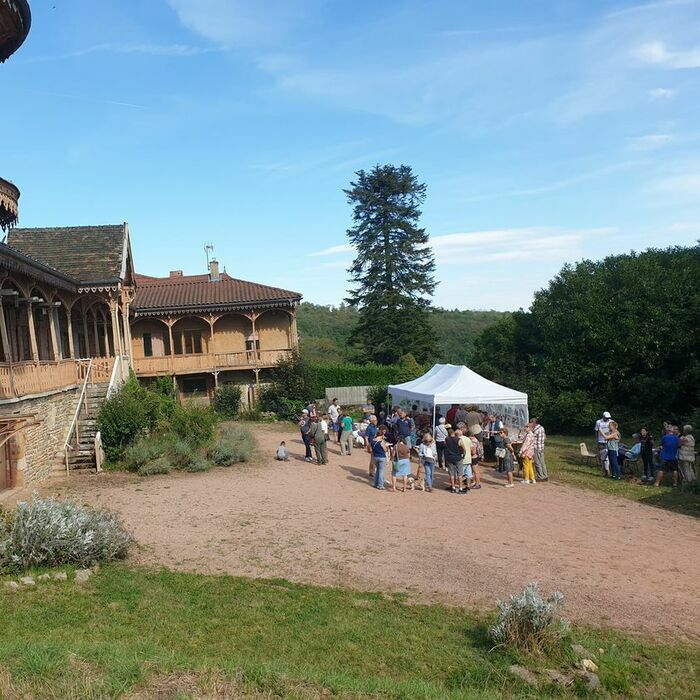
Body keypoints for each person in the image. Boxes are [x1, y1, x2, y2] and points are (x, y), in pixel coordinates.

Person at [444, 428, 466, 494]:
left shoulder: (446, 439)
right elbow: (464, 449)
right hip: (458, 457)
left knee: (451, 473)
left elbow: (445, 447)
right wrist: (463, 456)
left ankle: (453, 487)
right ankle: (460, 488)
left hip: (450, 457)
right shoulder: (459, 440)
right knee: (460, 473)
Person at [371, 425, 389, 490]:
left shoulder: (373, 441)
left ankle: (375, 483)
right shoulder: (381, 442)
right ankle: (380, 485)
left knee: (377, 471)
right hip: (382, 457)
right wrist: (386, 447)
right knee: (381, 471)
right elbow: (385, 450)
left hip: (375, 457)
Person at [595, 411, 613, 476]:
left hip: (609, 441)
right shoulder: (598, 422)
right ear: (603, 417)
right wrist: (597, 441)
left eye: (608, 418)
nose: (607, 419)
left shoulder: (611, 422)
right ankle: (604, 470)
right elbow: (596, 431)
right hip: (601, 441)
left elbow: (613, 431)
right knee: (602, 456)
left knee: (607, 456)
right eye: (606, 418)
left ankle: (607, 470)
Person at [531, 417, 548, 481]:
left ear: (534, 423)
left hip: (536, 447)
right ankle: (545, 475)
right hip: (541, 447)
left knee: (537, 462)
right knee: (542, 462)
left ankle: (540, 476)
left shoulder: (535, 430)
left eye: (531, 423)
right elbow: (545, 437)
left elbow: (531, 438)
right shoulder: (542, 428)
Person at [458, 426, 474, 490]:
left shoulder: (459, 439)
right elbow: (472, 449)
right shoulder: (468, 439)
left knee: (460, 474)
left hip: (462, 458)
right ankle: (468, 486)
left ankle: (460, 486)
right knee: (468, 474)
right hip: (468, 458)